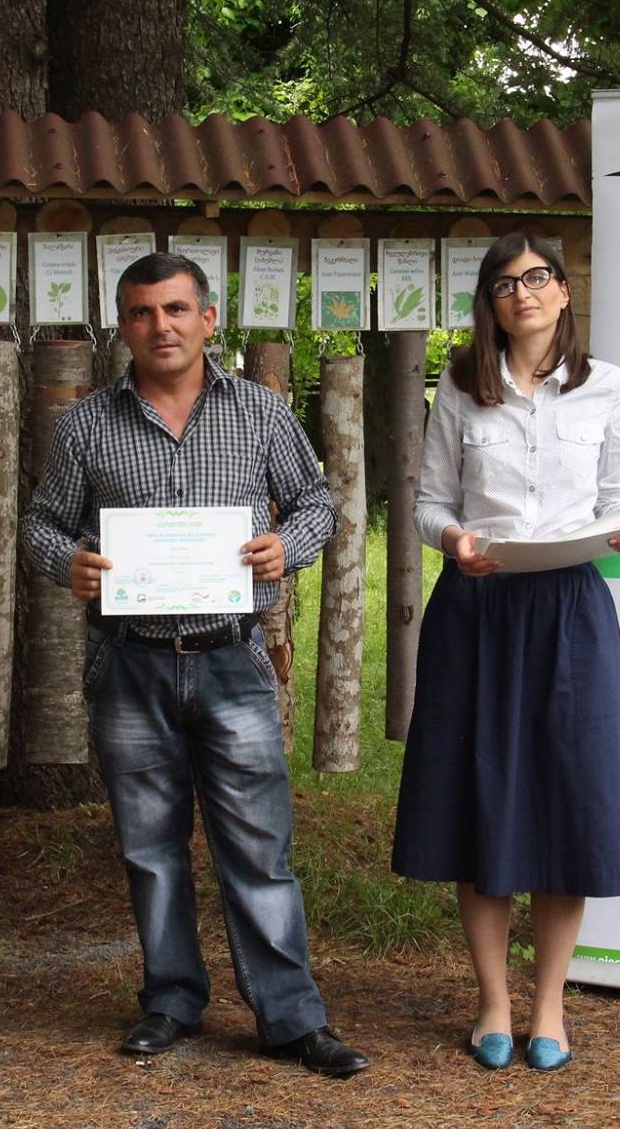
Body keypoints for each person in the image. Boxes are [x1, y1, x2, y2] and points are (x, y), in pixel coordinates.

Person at [23, 252, 370, 1079]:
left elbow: (317, 502)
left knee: (258, 847)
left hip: (231, 657)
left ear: (208, 319)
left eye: (177, 309)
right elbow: (40, 523)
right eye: (143, 312)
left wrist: (288, 545)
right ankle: (172, 1001)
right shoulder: (86, 424)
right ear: (123, 325)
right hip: (130, 663)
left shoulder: (259, 412)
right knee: (150, 848)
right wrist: (68, 562)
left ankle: (290, 1016)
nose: (161, 326)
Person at [392, 231, 620, 1073]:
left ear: (564, 291)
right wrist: (456, 541)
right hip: (479, 608)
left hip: (571, 611)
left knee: (569, 799)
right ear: (490, 303)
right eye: (505, 284)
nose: (524, 293)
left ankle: (550, 1008)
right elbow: (430, 504)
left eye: (538, 278)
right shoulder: (460, 387)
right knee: (481, 798)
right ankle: (494, 1003)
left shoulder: (606, 385)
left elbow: (617, 498)